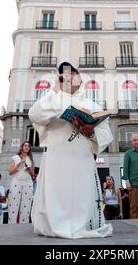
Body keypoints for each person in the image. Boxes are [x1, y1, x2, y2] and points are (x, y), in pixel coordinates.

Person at [29, 61, 113, 238]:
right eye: (64, 76)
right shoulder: (52, 99)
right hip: (56, 159)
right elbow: (35, 114)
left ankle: (82, 224)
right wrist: (55, 92)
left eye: (72, 74)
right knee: (57, 193)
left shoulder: (91, 104)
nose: (68, 79)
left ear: (80, 79)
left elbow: (105, 134)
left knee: (81, 194)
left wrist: (90, 131)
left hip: (81, 159)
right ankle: (55, 225)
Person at [8, 141, 35, 224]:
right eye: (25, 145)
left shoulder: (30, 159)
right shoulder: (15, 157)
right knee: (13, 204)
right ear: (22, 147)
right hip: (16, 182)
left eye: (28, 146)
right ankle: (11, 225)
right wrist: (19, 165)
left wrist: (29, 170)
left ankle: (24, 224)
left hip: (28, 182)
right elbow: (10, 172)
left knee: (26, 205)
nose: (27, 147)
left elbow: (33, 175)